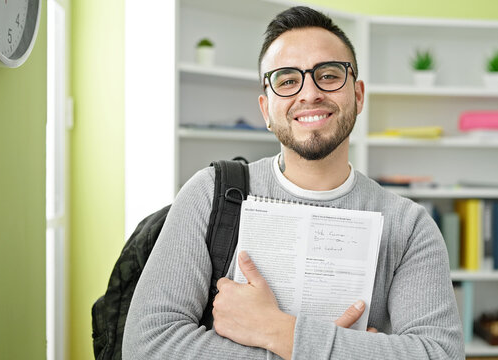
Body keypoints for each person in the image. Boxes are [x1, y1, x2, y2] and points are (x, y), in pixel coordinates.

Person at [123, 6, 464, 359]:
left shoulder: (409, 226)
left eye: (329, 75)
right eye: (287, 80)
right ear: (265, 109)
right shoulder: (207, 195)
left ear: (358, 95)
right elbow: (148, 345)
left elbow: (440, 354)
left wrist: (277, 331)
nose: (309, 93)